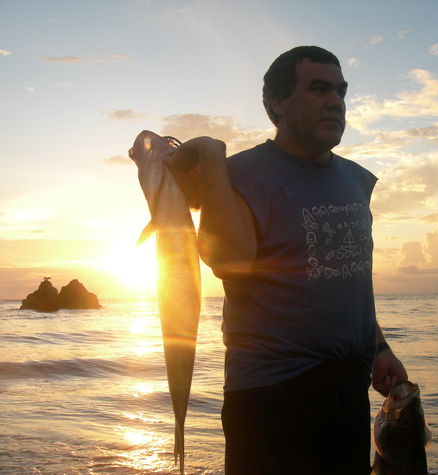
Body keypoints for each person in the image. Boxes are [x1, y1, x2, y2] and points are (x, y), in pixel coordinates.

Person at [169, 46, 408, 474]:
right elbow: (230, 262)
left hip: (348, 389)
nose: (335, 101)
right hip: (270, 395)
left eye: (340, 91)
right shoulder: (238, 175)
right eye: (319, 89)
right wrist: (210, 155)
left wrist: (380, 347)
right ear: (276, 104)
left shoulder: (357, 179)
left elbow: (344, 281)